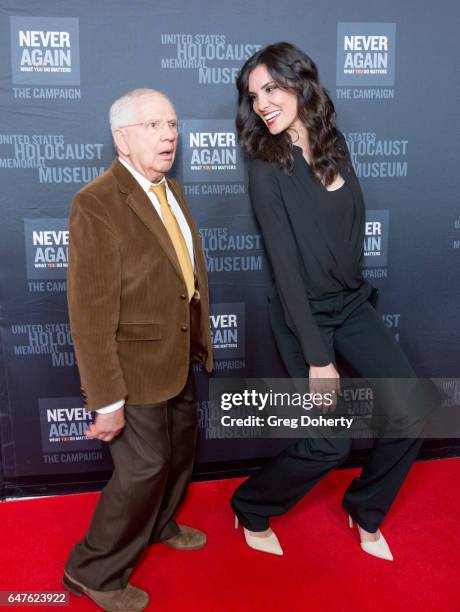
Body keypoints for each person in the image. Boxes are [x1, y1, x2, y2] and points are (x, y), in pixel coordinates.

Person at [230, 42, 430, 561]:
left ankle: (364, 507)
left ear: (300, 83)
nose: (262, 103)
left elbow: (347, 231)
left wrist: (353, 301)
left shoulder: (333, 144)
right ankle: (250, 504)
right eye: (254, 96)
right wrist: (320, 358)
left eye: (271, 88)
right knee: (329, 443)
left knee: (413, 409)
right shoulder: (266, 168)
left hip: (350, 304)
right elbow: (287, 270)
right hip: (303, 315)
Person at [63, 88, 213, 611]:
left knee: (178, 454)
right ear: (121, 138)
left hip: (177, 357)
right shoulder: (97, 202)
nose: (170, 134)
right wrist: (106, 398)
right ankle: (93, 570)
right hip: (134, 368)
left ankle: (159, 523)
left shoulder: (167, 188)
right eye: (153, 125)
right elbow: (90, 311)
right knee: (142, 468)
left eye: (172, 123)